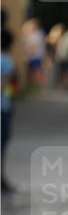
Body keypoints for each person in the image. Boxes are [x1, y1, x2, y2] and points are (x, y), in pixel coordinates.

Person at [1, 27, 17, 193]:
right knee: (2, 144)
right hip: (2, 108)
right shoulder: (5, 60)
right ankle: (1, 179)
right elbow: (3, 87)